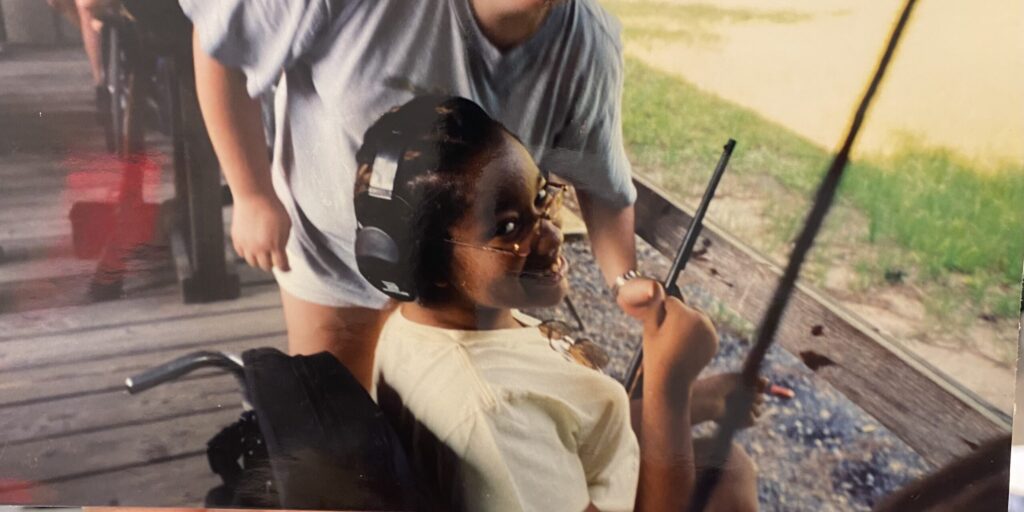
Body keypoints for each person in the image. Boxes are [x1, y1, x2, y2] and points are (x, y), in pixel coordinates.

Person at [182, 0, 639, 390]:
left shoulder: (587, 43)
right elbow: (218, 44)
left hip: (467, 288)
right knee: (338, 435)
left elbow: (602, 181)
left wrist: (624, 281)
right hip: (336, 262)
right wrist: (251, 193)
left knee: (455, 444)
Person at [357, 96, 760, 512]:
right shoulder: (490, 414)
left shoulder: (427, 323)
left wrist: (699, 400)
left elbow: (568, 428)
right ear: (424, 258)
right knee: (729, 480)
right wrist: (670, 386)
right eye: (508, 226)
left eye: (541, 197)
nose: (550, 236)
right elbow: (520, 422)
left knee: (726, 464)